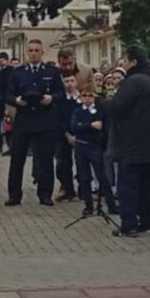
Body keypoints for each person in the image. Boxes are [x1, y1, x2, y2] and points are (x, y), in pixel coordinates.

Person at [99, 45, 150, 237]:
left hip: (133, 145)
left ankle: (129, 224)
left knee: (127, 186)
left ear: (134, 62)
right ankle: (147, 222)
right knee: (144, 186)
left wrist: (100, 102)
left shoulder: (133, 81)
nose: (123, 64)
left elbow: (117, 107)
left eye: (125, 61)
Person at [5, 39, 65, 207]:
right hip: (24, 119)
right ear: (27, 52)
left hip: (44, 119)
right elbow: (8, 95)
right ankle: (14, 195)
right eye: (30, 50)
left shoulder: (52, 72)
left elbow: (60, 93)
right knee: (17, 159)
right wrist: (16, 100)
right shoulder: (18, 72)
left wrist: (51, 98)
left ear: (42, 52)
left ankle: (45, 194)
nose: (33, 54)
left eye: (36, 50)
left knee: (45, 159)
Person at [71, 80, 115, 216]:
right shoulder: (78, 111)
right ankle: (88, 205)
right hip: (81, 146)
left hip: (95, 146)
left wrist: (86, 127)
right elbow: (75, 127)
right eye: (84, 95)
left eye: (90, 95)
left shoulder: (100, 111)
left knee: (102, 176)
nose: (87, 98)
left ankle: (111, 205)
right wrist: (90, 126)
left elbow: (102, 126)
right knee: (84, 177)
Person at [54, 74, 80, 203]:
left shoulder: (82, 98)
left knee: (82, 164)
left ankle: (85, 190)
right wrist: (67, 135)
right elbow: (58, 119)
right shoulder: (60, 99)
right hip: (63, 135)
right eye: (66, 81)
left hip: (81, 135)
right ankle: (67, 189)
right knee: (63, 163)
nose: (69, 84)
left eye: (72, 81)